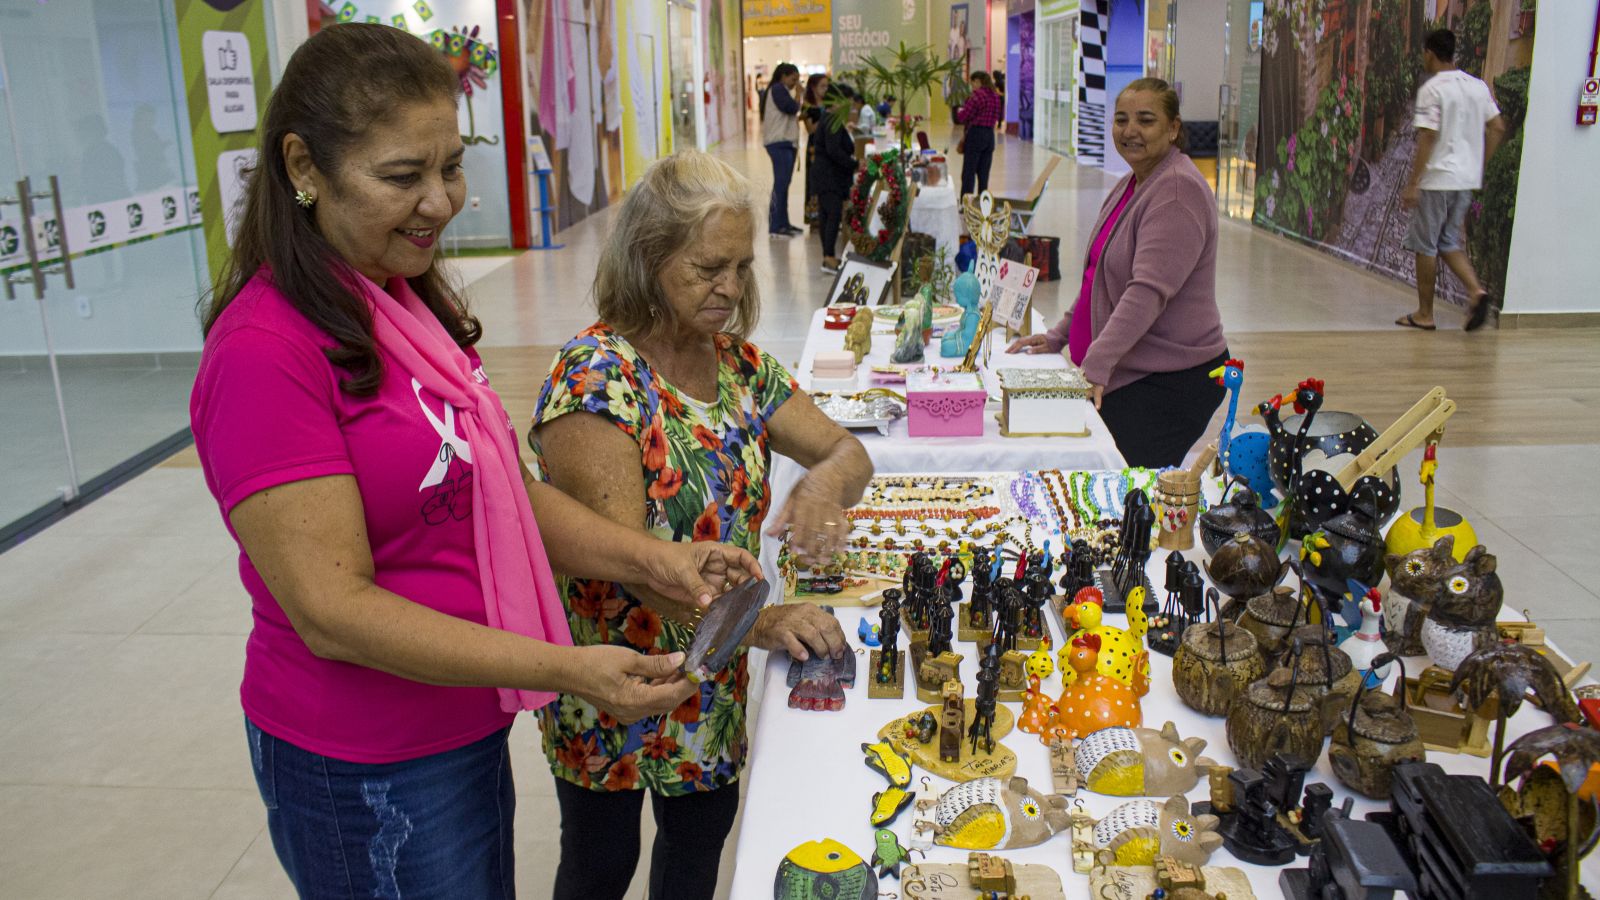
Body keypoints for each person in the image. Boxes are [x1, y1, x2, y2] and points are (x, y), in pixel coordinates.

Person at [189, 26, 761, 898]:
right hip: (365, 763)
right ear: (303, 167)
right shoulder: (267, 351)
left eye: (451, 167)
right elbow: (332, 612)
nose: (441, 201)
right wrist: (567, 666)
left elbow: (500, 494)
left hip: (459, 726)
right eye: (402, 176)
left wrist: (656, 560)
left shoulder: (397, 305)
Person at [530, 150, 874, 900]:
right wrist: (765, 620)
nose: (731, 288)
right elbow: (638, 570)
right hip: (615, 679)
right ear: (649, 260)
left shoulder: (739, 367)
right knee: (598, 866)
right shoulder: (599, 377)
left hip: (708, 688)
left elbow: (849, 450)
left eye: (743, 267)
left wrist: (823, 486)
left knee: (692, 862)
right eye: (708, 267)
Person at [1007, 78, 1228, 468]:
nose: (1130, 131)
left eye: (1146, 120)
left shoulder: (1176, 191)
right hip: (1137, 371)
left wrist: (1095, 365)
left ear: (1174, 128)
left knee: (1119, 489)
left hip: (1172, 379)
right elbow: (1100, 277)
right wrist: (1059, 335)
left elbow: (1145, 294)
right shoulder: (1134, 182)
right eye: (1121, 119)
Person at [1397, 28, 1504, 332]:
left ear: (1429, 53)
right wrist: (1479, 165)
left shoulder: (1433, 89)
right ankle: (1477, 292)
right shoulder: (1477, 86)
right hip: (1465, 180)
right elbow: (1497, 127)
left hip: (1438, 179)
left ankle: (1425, 314)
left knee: (1426, 245)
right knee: (1447, 241)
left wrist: (1414, 182)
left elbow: (1428, 137)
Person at [815, 86, 861, 274]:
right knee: (832, 214)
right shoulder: (832, 120)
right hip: (829, 175)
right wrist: (853, 164)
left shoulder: (830, 118)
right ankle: (828, 257)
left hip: (826, 174)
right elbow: (834, 151)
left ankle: (827, 255)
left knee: (827, 215)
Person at [762, 63, 804, 238]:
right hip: (778, 142)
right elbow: (792, 108)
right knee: (780, 184)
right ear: (783, 76)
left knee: (784, 184)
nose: (796, 83)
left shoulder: (782, 90)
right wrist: (800, 95)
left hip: (786, 142)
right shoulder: (778, 89)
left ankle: (784, 223)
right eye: (793, 79)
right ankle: (775, 226)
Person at [955, 71, 1003, 199]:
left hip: (976, 134)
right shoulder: (995, 96)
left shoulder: (977, 96)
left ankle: (966, 203)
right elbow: (998, 116)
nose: (972, 86)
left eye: (973, 83)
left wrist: (960, 110)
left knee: (969, 173)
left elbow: (963, 116)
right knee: (983, 174)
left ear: (978, 81)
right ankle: (983, 203)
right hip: (990, 136)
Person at [800, 72, 831, 228]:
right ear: (813, 87)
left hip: (830, 147)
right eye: (822, 86)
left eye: (827, 86)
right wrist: (827, 118)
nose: (825, 89)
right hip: (815, 148)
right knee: (814, 182)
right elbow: (810, 129)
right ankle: (814, 217)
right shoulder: (807, 106)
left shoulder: (830, 103)